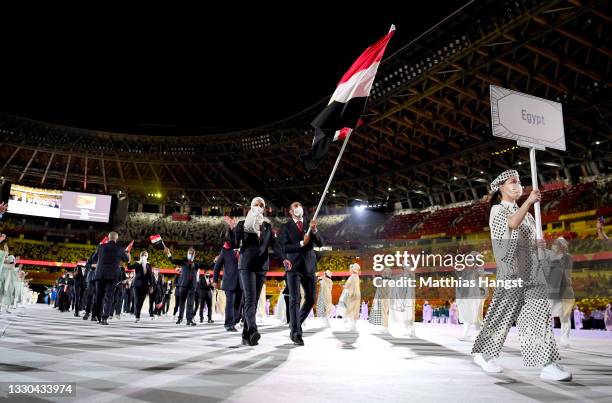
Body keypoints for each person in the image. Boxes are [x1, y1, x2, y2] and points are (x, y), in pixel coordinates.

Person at [471, 170, 571, 381]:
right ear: (501, 188)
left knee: (539, 319)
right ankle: (483, 354)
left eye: (519, 182)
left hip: (532, 274)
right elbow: (511, 225)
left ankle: (548, 365)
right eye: (512, 182)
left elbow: (528, 240)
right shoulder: (497, 210)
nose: (518, 185)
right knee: (501, 318)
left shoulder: (527, 214)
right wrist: (529, 202)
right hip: (512, 274)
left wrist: (538, 245)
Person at [224, 197, 289, 346]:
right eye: (256, 205)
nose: (259, 207)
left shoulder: (267, 226)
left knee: (250, 300)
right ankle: (253, 330)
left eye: (261, 205)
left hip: (261, 267)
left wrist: (284, 258)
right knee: (251, 299)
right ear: (250, 207)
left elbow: (275, 245)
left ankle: (246, 336)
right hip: (246, 265)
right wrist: (233, 229)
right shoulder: (243, 224)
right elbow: (234, 243)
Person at [278, 201, 324, 346]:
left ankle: (295, 323)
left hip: (309, 266)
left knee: (311, 299)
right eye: (295, 206)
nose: (298, 208)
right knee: (294, 299)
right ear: (290, 211)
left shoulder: (310, 224)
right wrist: (300, 244)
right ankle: (296, 332)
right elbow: (284, 247)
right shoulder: (286, 227)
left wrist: (315, 231)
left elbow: (321, 243)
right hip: (293, 267)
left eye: (300, 206)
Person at [91, 232, 131, 325]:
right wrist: (127, 254)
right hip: (112, 276)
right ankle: (104, 318)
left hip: (100, 274)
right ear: (116, 239)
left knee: (99, 296)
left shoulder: (101, 247)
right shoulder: (120, 249)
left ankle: (97, 316)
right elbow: (126, 260)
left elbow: (94, 258)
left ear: (108, 238)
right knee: (109, 297)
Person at [543, 237, 575, 347]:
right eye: (555, 244)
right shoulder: (549, 257)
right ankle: (545, 336)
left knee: (565, 316)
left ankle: (565, 337)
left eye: (558, 244)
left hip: (565, 290)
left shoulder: (567, 257)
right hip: (552, 290)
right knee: (547, 315)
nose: (554, 246)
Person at [164, 245, 204, 326]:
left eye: (192, 253)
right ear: (187, 253)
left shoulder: (196, 264)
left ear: (194, 254)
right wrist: (169, 254)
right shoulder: (183, 261)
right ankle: (180, 318)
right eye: (190, 252)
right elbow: (173, 261)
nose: (191, 254)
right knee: (181, 303)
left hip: (192, 287)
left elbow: (208, 266)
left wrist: (215, 261)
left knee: (190, 304)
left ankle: (189, 320)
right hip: (183, 286)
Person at [455, 251, 488, 341]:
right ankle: (465, 334)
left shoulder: (478, 270)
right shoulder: (466, 271)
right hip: (468, 297)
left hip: (476, 296)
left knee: (477, 317)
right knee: (468, 316)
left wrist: (483, 294)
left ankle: (482, 336)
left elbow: (483, 282)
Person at [213, 242, 242, 331]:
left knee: (238, 304)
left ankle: (234, 320)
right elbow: (217, 266)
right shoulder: (225, 251)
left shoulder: (244, 250)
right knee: (230, 303)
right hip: (229, 282)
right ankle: (228, 324)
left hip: (241, 282)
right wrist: (215, 280)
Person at [128, 251, 152, 323]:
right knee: (137, 300)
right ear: (140, 256)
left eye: (145, 255)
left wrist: (151, 285)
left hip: (145, 285)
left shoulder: (148, 265)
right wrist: (129, 260)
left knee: (141, 301)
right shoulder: (137, 263)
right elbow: (129, 267)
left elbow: (150, 276)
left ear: (147, 256)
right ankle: (137, 316)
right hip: (137, 284)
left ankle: (137, 312)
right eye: (143, 255)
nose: (144, 256)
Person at [343, 263, 361, 332]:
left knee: (351, 310)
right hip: (357, 294)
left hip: (352, 295)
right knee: (356, 309)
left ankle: (352, 326)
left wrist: (344, 286)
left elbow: (347, 285)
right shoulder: (357, 276)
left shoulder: (351, 277)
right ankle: (354, 325)